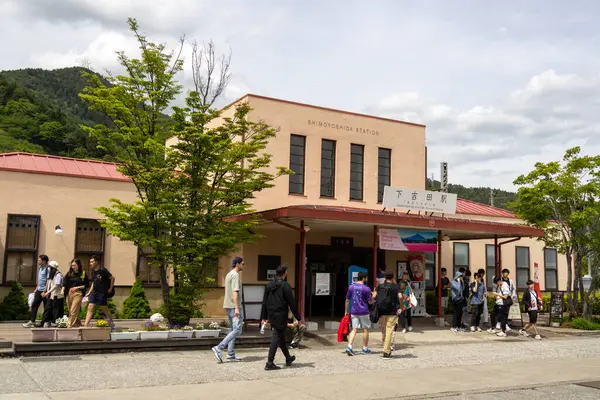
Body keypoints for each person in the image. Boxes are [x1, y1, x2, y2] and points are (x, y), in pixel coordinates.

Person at [260, 265, 301, 370]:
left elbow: (264, 302)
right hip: (281, 315)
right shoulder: (285, 286)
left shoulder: (269, 285)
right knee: (276, 337)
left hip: (272, 314)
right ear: (284, 273)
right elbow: (292, 303)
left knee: (280, 337)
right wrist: (298, 318)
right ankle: (269, 363)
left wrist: (264, 317)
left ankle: (288, 358)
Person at [212, 257, 244, 363]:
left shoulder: (228, 274)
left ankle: (230, 354)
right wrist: (236, 308)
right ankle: (219, 347)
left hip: (228, 305)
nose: (243, 265)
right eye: (242, 263)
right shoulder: (235, 275)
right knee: (237, 330)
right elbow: (235, 292)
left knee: (232, 329)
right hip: (234, 306)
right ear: (237, 264)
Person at [373, 271, 403, 359]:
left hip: (381, 311)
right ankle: (386, 351)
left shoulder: (380, 286)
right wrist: (401, 307)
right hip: (392, 311)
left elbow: (374, 296)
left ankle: (385, 346)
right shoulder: (396, 286)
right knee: (389, 330)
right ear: (393, 277)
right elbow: (400, 297)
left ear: (385, 277)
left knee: (383, 330)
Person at [344, 271, 373, 356]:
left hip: (354, 311)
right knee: (365, 329)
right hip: (364, 312)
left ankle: (349, 347)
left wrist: (346, 311)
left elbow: (347, 300)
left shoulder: (351, 287)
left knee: (354, 329)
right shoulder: (366, 289)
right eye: (366, 278)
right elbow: (370, 302)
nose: (367, 279)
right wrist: (373, 297)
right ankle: (364, 348)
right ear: (364, 278)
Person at [84, 255, 115, 327]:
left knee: (104, 308)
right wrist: (89, 292)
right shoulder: (93, 271)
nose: (90, 263)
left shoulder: (103, 270)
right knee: (90, 306)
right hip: (95, 292)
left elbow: (112, 278)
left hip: (102, 292)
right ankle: (86, 325)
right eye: (90, 262)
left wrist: (110, 288)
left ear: (97, 262)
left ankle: (111, 323)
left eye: (92, 262)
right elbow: (94, 282)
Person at [22, 255, 50, 328]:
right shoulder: (40, 268)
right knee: (35, 305)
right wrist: (36, 287)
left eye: (39, 260)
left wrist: (45, 290)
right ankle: (32, 321)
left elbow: (48, 281)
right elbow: (40, 279)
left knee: (46, 306)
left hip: (45, 290)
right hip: (39, 289)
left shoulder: (48, 269)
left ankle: (46, 322)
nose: (38, 261)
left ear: (44, 261)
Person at [62, 258, 89, 328]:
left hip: (78, 293)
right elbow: (64, 282)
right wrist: (62, 290)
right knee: (70, 309)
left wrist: (77, 287)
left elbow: (86, 285)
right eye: (72, 265)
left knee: (73, 309)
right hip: (69, 293)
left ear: (78, 265)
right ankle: (78, 323)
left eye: (74, 265)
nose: (73, 267)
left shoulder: (83, 273)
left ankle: (69, 324)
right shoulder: (69, 273)